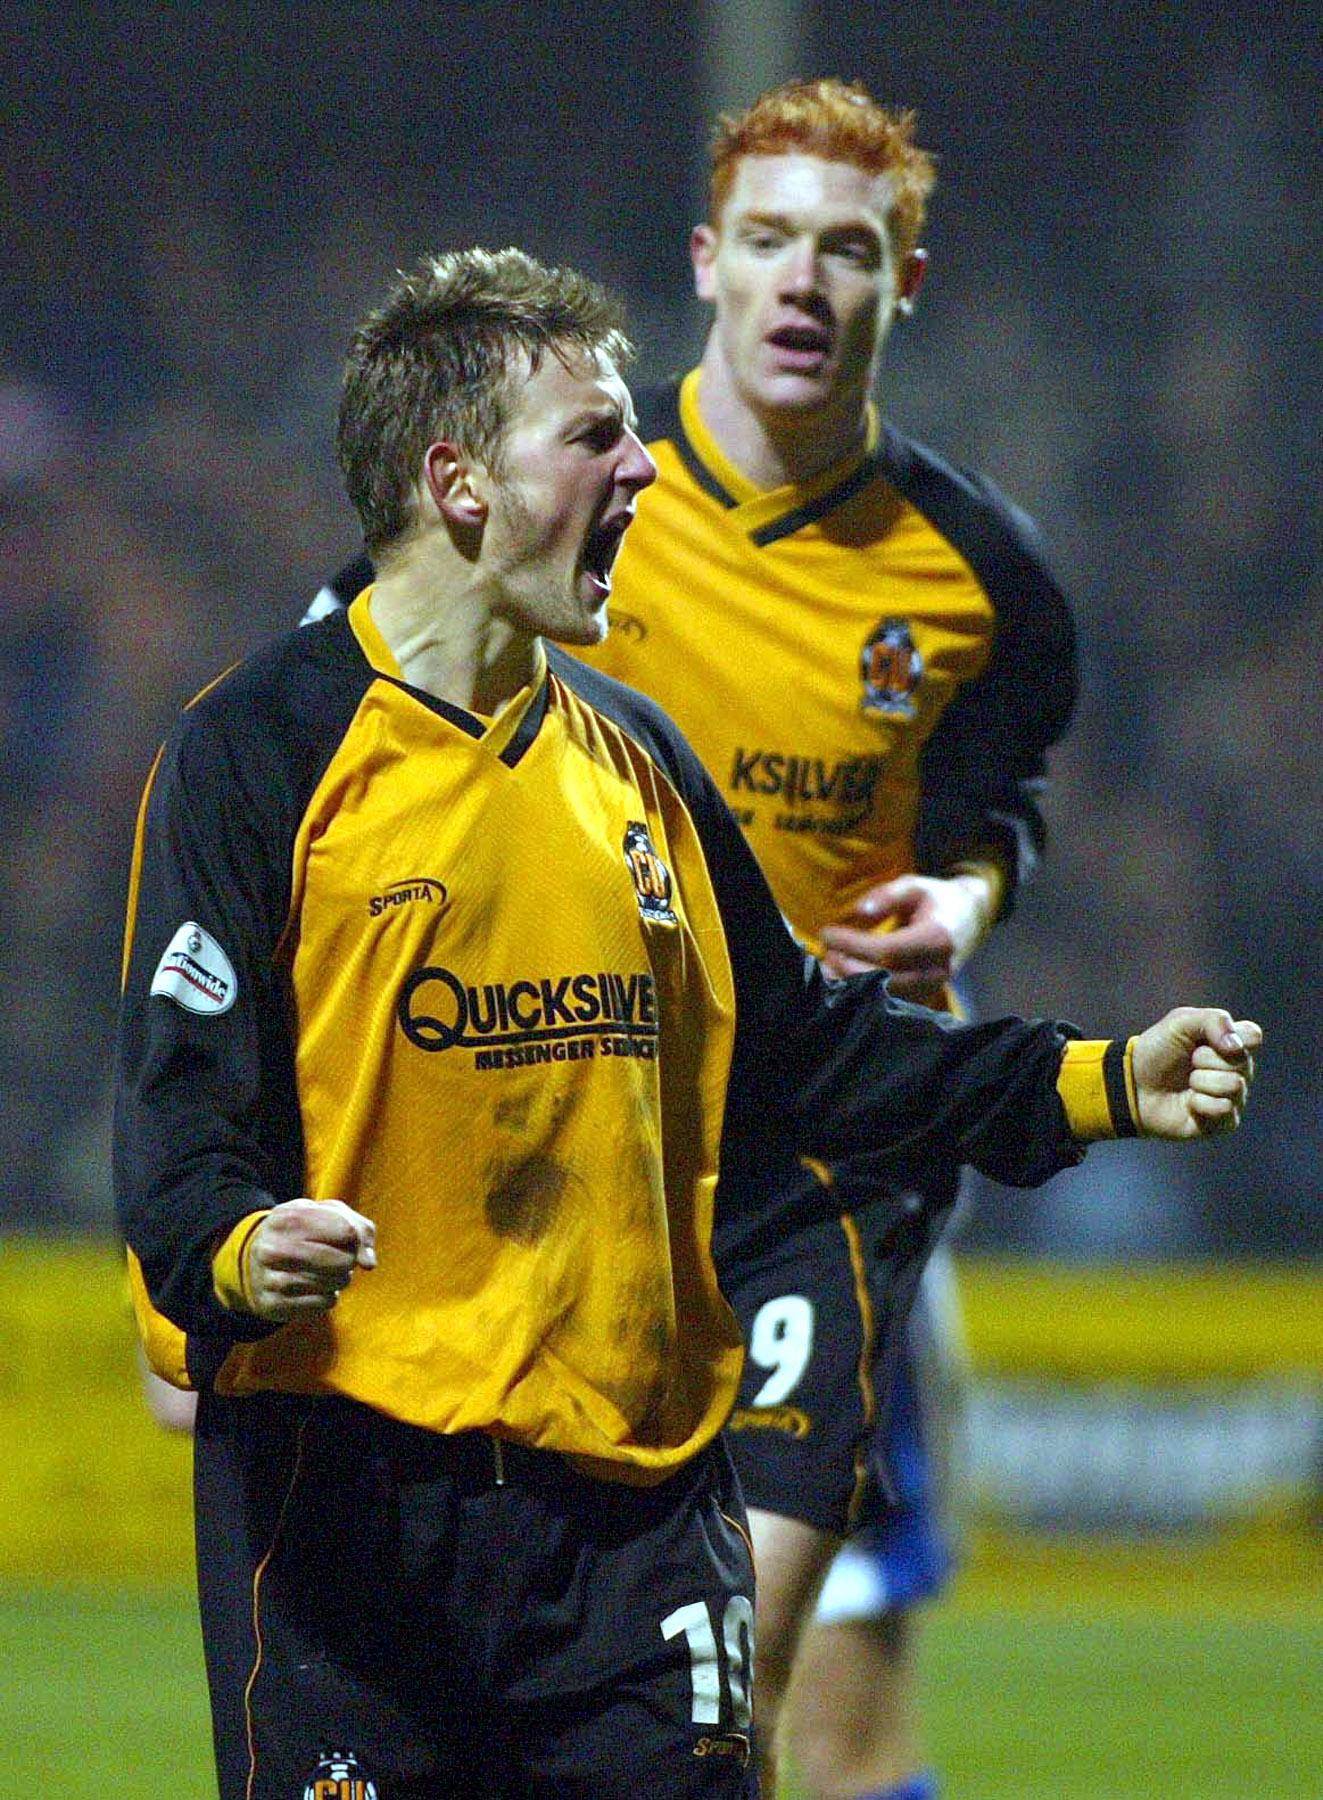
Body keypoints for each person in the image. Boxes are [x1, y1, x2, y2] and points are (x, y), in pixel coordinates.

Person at [115, 244, 1259, 1800]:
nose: (646, 464)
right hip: (355, 1513)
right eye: (594, 437)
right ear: (458, 483)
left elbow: (814, 1057)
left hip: (641, 1526)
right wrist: (244, 1254)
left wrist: (1096, 1078)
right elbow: (179, 1144)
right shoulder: (258, 756)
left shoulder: (638, 762)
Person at [312, 79, 1078, 1800]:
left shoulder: (983, 579)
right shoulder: (569, 491)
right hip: (566, 1153)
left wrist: (966, 898)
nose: (809, 281)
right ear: (709, 265)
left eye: (852, 251)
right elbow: (357, 724)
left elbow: (994, 800)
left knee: (743, 1705)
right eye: (774, 241)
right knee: (534, 1692)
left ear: (905, 285)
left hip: (821, 1162)